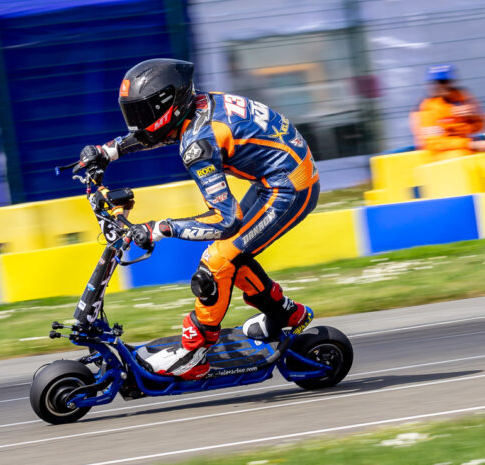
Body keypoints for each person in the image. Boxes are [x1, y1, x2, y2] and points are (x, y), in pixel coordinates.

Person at [75, 58, 319, 380]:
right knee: (232, 253)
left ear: (169, 105)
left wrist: (159, 228)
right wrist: (108, 151)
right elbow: (156, 133)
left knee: (216, 263)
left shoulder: (198, 144)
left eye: (142, 113)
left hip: (289, 187)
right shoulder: (197, 107)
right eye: (132, 114)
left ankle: (195, 352)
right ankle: (285, 314)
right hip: (277, 176)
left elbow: (225, 220)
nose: (136, 123)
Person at [411, 64, 485, 160]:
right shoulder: (426, 108)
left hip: (466, 147)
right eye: (436, 83)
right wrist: (469, 144)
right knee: (460, 155)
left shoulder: (462, 97)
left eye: (444, 82)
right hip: (440, 156)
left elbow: (480, 126)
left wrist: (472, 116)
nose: (440, 86)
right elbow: (434, 143)